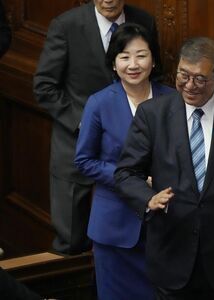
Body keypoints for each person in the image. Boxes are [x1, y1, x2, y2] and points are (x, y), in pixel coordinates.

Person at [114, 36, 214, 299]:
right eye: (183, 75)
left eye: (200, 79)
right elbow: (126, 173)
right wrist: (149, 198)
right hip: (171, 252)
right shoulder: (153, 114)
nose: (189, 85)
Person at [33, 0, 161, 255]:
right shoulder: (65, 25)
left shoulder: (144, 20)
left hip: (131, 149)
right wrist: (86, 122)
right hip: (76, 143)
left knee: (131, 238)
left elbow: (155, 78)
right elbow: (44, 86)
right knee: (70, 240)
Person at [74, 23, 172, 300]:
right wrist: (131, 180)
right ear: (113, 63)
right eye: (124, 56)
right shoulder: (99, 103)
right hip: (114, 228)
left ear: (153, 59)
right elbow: (84, 160)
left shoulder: (172, 100)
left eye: (141, 55)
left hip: (165, 228)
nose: (133, 64)